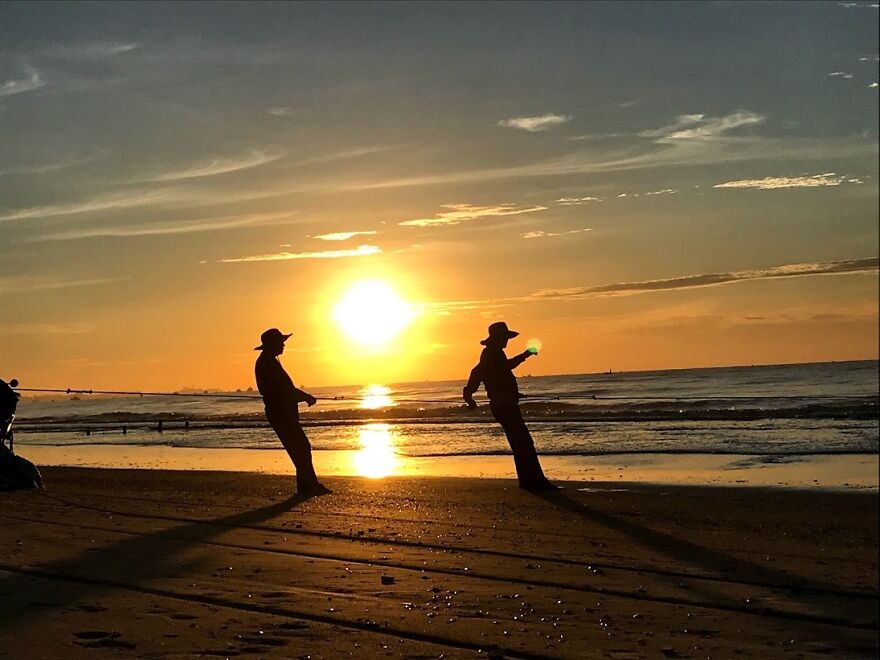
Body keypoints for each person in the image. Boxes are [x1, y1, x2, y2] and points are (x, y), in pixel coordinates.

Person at [463, 322, 555, 490]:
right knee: (523, 442)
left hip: (505, 403)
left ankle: (529, 481)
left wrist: (469, 394)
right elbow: (494, 370)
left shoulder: (493, 353)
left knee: (521, 442)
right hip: (503, 405)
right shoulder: (491, 353)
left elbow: (488, 374)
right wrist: (526, 354)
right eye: (504, 337)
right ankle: (533, 481)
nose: (506, 341)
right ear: (497, 338)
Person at [254, 328, 330, 496]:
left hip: (281, 413)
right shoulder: (267, 363)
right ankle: (309, 486)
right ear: (272, 344)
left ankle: (308, 486)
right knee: (301, 448)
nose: (283, 345)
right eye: (280, 342)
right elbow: (285, 390)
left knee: (300, 449)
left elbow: (284, 390)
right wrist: (306, 397)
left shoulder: (268, 361)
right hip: (280, 414)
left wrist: (301, 396)